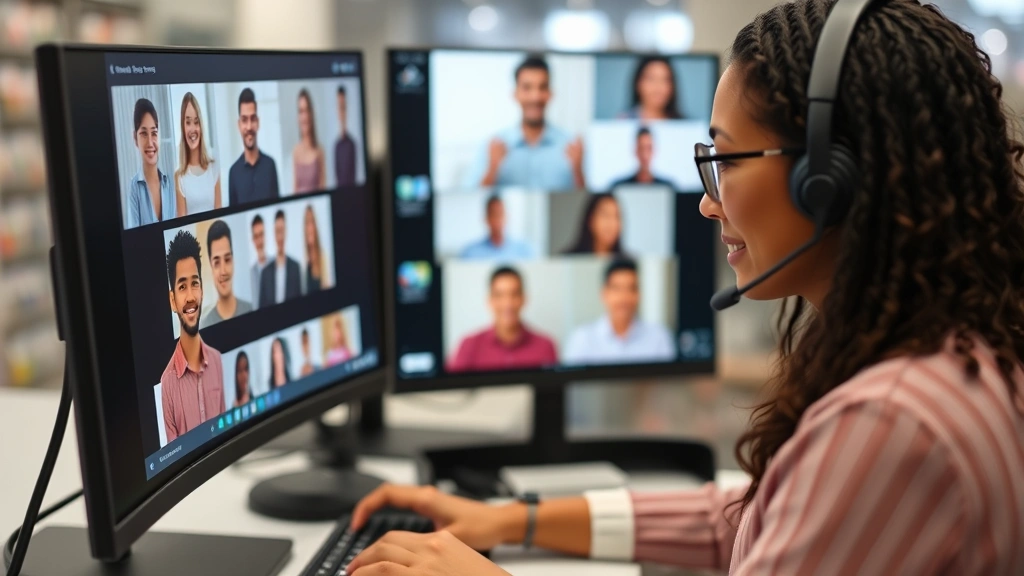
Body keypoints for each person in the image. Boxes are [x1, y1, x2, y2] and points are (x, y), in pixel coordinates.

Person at [344, 1, 1024, 574]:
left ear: (828, 180)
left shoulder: (890, 423)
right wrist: (510, 520)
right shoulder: (956, 346)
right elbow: (748, 521)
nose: (708, 201)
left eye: (725, 159)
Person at [462, 55, 585, 191]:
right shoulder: (493, 146)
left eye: (542, 87)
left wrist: (577, 170)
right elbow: (470, 200)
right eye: (527, 88)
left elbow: (591, 203)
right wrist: (492, 169)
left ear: (550, 93)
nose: (535, 97)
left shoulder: (571, 146)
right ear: (515, 94)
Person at [160, 230, 224, 444]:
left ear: (202, 289)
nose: (190, 297)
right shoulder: (167, 382)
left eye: (195, 284)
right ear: (172, 300)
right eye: (182, 286)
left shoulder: (217, 360)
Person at [562, 258, 673, 365]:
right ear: (604, 294)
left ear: (639, 295)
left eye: (631, 289)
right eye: (617, 289)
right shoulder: (582, 339)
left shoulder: (659, 337)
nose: (624, 297)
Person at [448, 266, 557, 372]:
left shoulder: (545, 346)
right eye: (499, 295)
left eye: (514, 294)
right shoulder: (468, 346)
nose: (508, 304)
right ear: (490, 300)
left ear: (524, 299)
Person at [125, 98, 175, 228]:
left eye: (154, 133)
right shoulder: (134, 188)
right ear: (135, 138)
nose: (150, 143)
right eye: (143, 134)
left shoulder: (170, 183)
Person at [229, 88, 280, 206]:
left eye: (252, 119)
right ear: (239, 125)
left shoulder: (270, 165)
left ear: (258, 122)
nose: (249, 126)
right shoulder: (233, 173)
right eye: (244, 120)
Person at [174, 92, 221, 216]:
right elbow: (182, 227)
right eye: (188, 122)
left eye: (196, 122)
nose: (193, 129)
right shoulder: (179, 177)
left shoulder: (214, 169)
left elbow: (220, 218)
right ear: (182, 127)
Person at [200, 220, 252, 328]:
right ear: (211, 266)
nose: (223, 271)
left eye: (227, 260)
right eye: (217, 262)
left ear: (233, 261)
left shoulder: (250, 310)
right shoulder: (205, 326)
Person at [459, 195, 535, 260]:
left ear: (506, 216)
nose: (498, 219)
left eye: (500, 214)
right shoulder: (470, 253)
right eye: (494, 215)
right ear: (486, 219)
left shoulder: (524, 251)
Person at [618, 56, 683, 121]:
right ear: (638, 83)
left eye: (665, 80)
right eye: (651, 79)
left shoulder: (684, 125)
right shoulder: (623, 122)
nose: (658, 87)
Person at [259, 209, 302, 308]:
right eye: (278, 231)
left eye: (282, 231)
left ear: (286, 232)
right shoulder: (265, 273)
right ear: (274, 233)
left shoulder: (295, 268)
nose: (280, 236)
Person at [610, 127, 675, 189]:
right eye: (641, 148)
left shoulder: (667, 187)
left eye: (649, 148)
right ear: (635, 151)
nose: (645, 155)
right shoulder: (620, 187)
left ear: (654, 151)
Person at [293, 88, 327, 194]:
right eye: (301, 111)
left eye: (307, 110)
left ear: (311, 114)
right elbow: (295, 190)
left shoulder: (319, 151)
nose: (304, 116)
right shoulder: (296, 151)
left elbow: (323, 189)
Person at [334, 86, 358, 187]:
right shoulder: (336, 146)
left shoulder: (352, 144)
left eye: (343, 107)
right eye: (339, 107)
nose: (342, 112)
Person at [303, 205, 327, 294]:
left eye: (311, 222)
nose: (309, 227)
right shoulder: (303, 262)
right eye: (307, 222)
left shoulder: (324, 257)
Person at [250, 214, 268, 310]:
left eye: (261, 235)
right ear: (253, 240)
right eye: (256, 236)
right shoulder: (251, 274)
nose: (260, 241)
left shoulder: (277, 265)